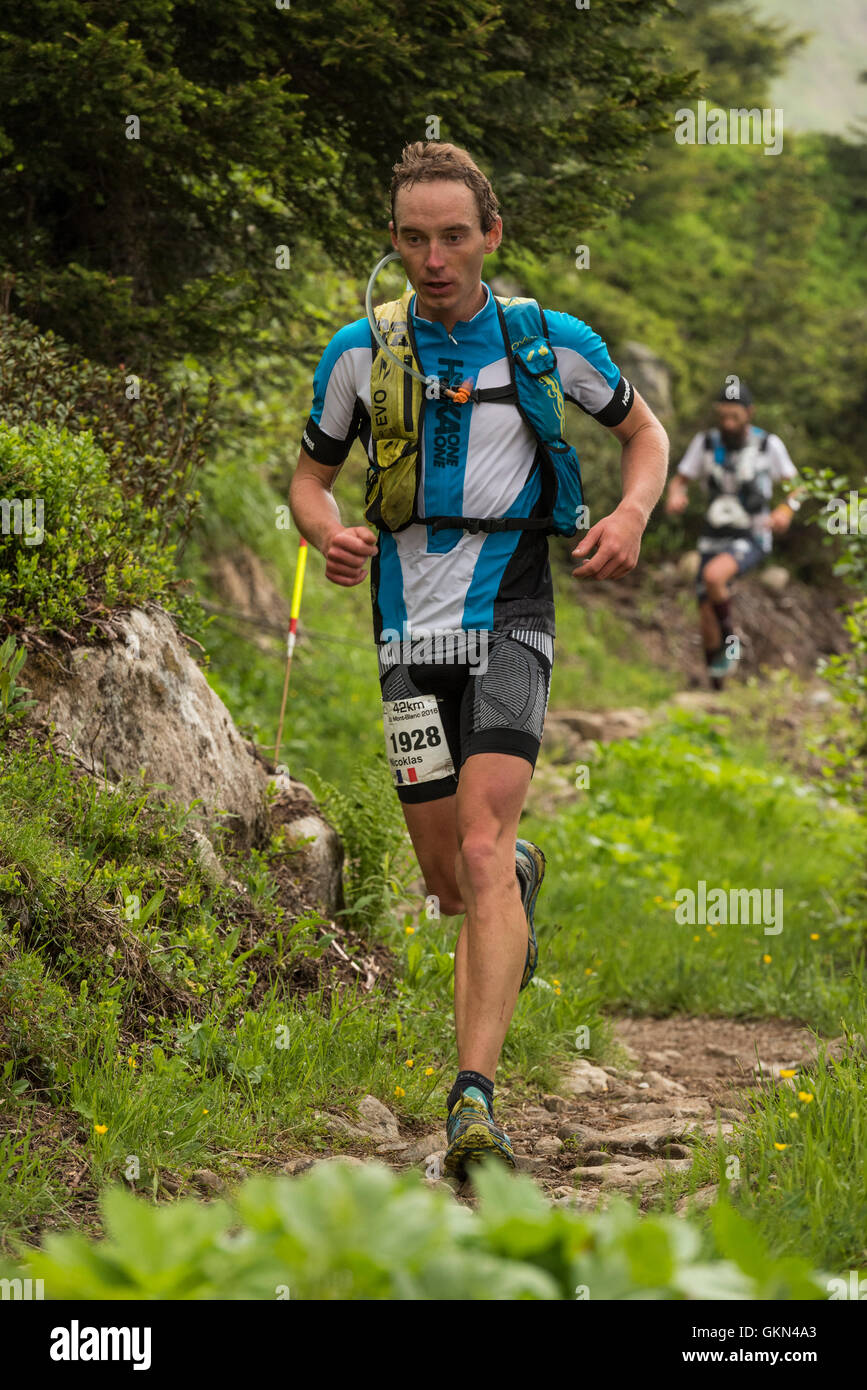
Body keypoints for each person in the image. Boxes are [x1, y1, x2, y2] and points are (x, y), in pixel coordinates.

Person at [289, 141, 668, 1181]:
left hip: (512, 610)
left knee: (487, 841)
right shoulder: (360, 354)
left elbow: (647, 435)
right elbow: (311, 480)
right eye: (414, 238)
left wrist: (633, 512)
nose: (434, 256)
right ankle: (513, 885)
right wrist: (324, 531)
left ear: (491, 236)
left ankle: (474, 1105)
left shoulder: (548, 340)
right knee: (449, 878)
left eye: (455, 235)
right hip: (408, 626)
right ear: (397, 244)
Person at [665, 383, 802, 686]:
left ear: (749, 414)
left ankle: (733, 641)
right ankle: (716, 685)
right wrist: (676, 495)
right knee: (704, 610)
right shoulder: (706, 443)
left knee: (714, 578)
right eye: (723, 416)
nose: (728, 423)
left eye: (735, 417)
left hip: (752, 534)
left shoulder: (768, 445)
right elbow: (681, 480)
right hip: (712, 535)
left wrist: (785, 511)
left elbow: (799, 487)